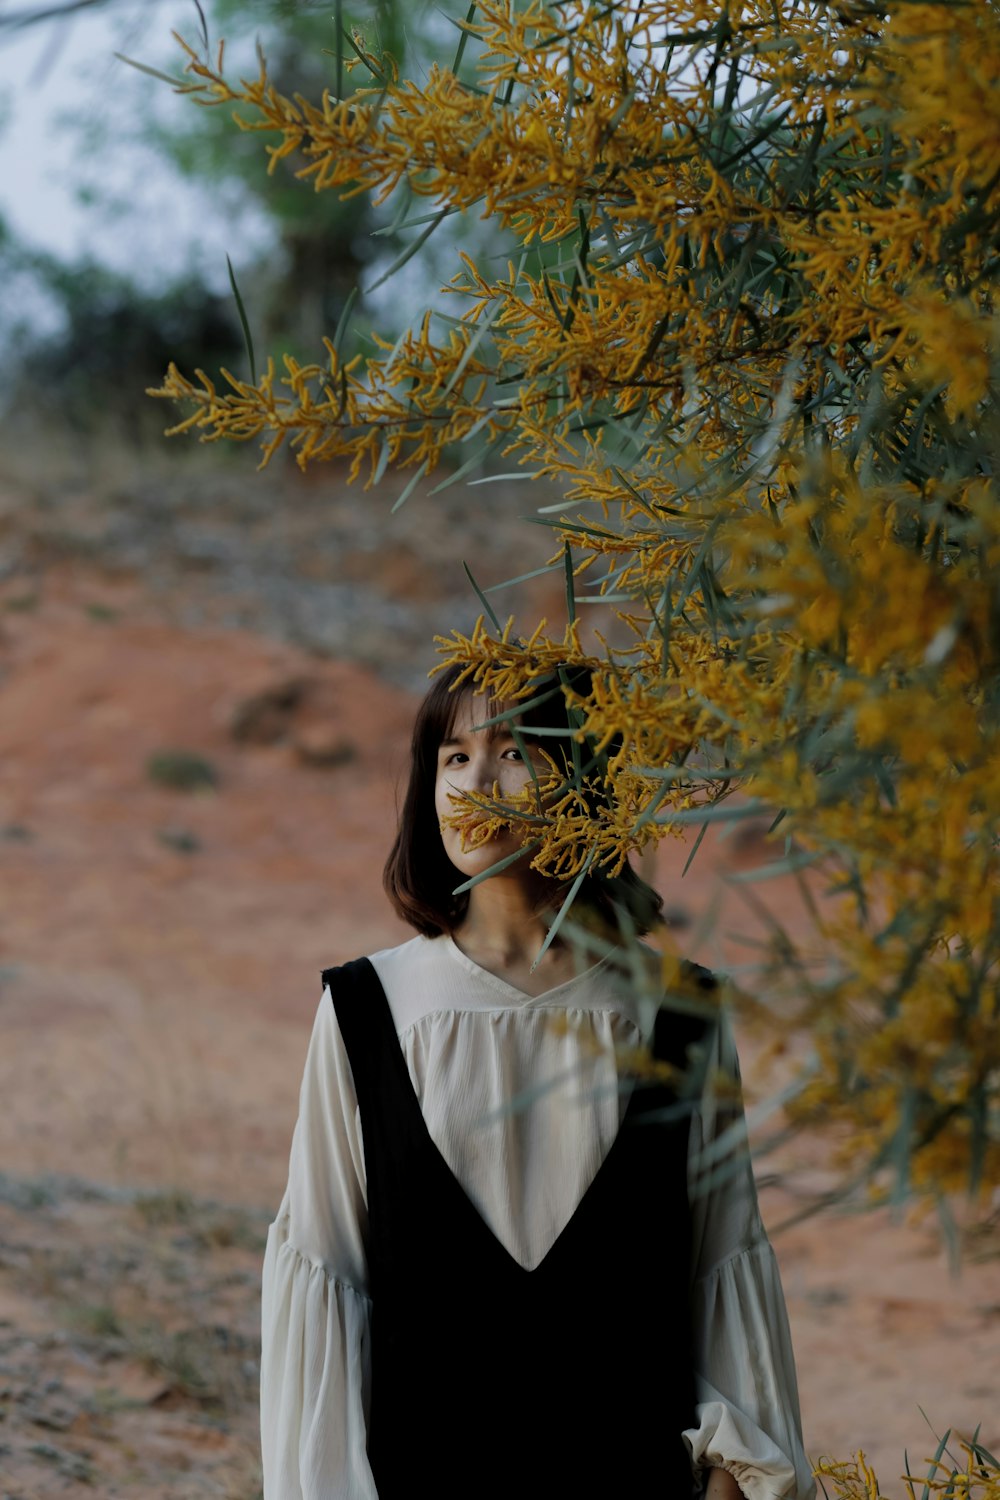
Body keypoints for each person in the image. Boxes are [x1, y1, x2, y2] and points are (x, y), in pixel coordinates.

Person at [260, 662, 815, 1500]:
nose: (477, 782)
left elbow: (721, 1260)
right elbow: (328, 1276)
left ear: (588, 780)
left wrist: (737, 1476)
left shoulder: (680, 1014)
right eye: (452, 756)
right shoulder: (367, 1012)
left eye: (514, 750)